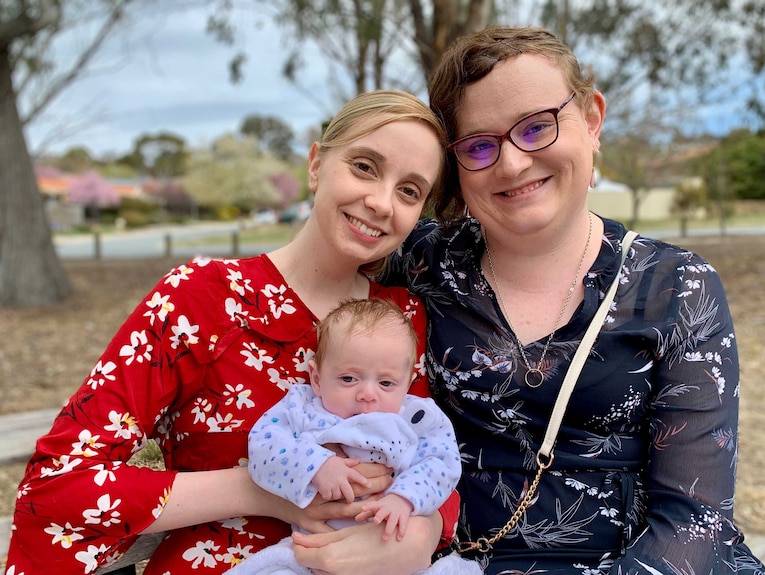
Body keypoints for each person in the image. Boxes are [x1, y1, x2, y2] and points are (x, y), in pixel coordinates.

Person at [5, 90, 459, 575]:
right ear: (315, 164)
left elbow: (442, 456)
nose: (380, 201)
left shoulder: (405, 318)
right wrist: (263, 491)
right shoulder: (203, 299)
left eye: (409, 191)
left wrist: (424, 532)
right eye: (365, 166)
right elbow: (59, 485)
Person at [378, 26, 765, 574]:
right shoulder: (421, 261)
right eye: (480, 146)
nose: (512, 164)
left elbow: (694, 520)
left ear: (591, 120)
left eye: (537, 127)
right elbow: (304, 282)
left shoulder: (678, 288)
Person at [225, 298, 480, 575]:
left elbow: (441, 463)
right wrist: (316, 465)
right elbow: (264, 447)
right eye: (348, 379)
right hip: (315, 550)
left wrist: (404, 498)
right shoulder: (303, 407)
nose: (367, 394)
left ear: (407, 383)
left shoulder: (416, 417)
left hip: (389, 549)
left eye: (386, 383)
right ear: (317, 379)